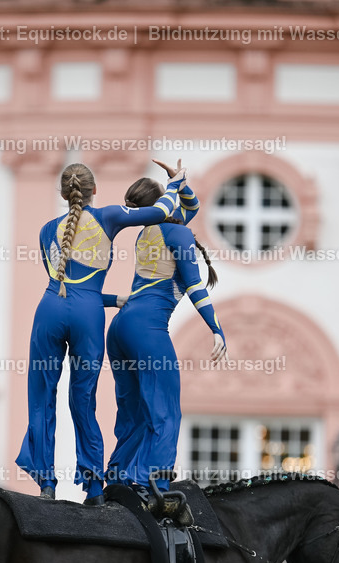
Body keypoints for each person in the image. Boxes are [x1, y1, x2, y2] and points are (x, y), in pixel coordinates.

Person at [15, 162, 186, 502]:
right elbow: (162, 211)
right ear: (94, 191)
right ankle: (93, 487)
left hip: (48, 311)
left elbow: (63, 284)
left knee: (41, 397)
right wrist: (176, 183)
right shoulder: (108, 216)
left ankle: (46, 484)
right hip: (88, 317)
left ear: (63, 194)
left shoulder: (47, 230)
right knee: (83, 399)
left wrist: (115, 299)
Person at [104, 160, 226, 496]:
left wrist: (177, 182)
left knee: (133, 411)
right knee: (164, 410)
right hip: (147, 329)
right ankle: (154, 484)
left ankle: (117, 479)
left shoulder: (148, 232)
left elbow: (192, 206)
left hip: (119, 329)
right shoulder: (178, 233)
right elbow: (194, 286)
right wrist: (216, 329)